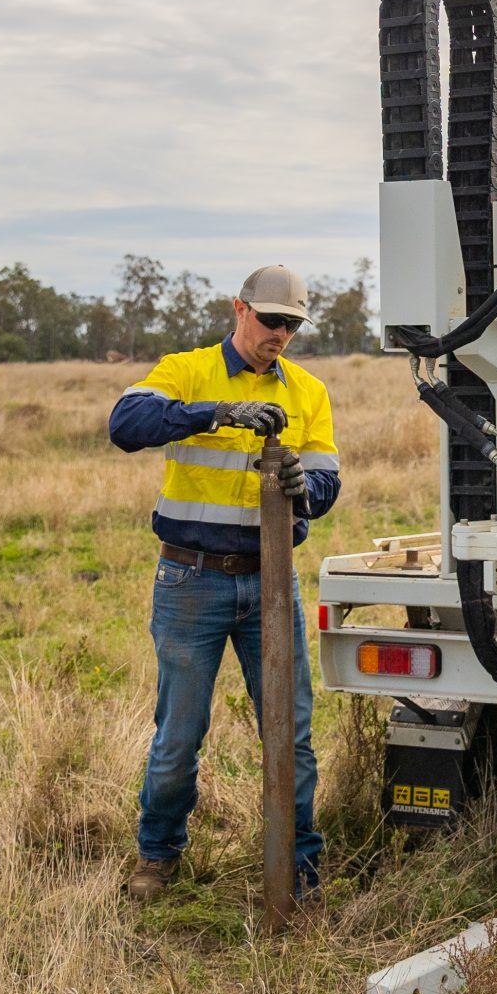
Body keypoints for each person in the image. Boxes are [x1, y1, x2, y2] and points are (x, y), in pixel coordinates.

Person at [106, 265, 341, 903]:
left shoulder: (309, 392)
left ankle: (299, 871)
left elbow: (326, 483)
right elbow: (126, 425)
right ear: (239, 309)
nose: (282, 334)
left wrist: (304, 491)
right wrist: (218, 413)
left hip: (272, 581)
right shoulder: (186, 371)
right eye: (271, 320)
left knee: (288, 732)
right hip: (192, 580)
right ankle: (157, 855)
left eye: (292, 324)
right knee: (180, 733)